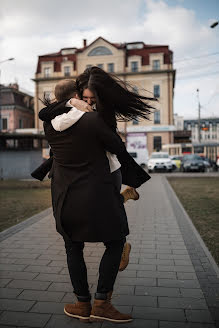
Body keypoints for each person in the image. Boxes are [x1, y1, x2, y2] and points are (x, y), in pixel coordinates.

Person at [38, 67, 153, 323]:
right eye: (85, 98)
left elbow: (47, 115)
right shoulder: (95, 121)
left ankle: (82, 305)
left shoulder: (48, 124)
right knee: (115, 243)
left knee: (72, 247)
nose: (89, 103)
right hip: (97, 195)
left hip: (64, 197)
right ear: (76, 95)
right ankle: (102, 303)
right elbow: (116, 147)